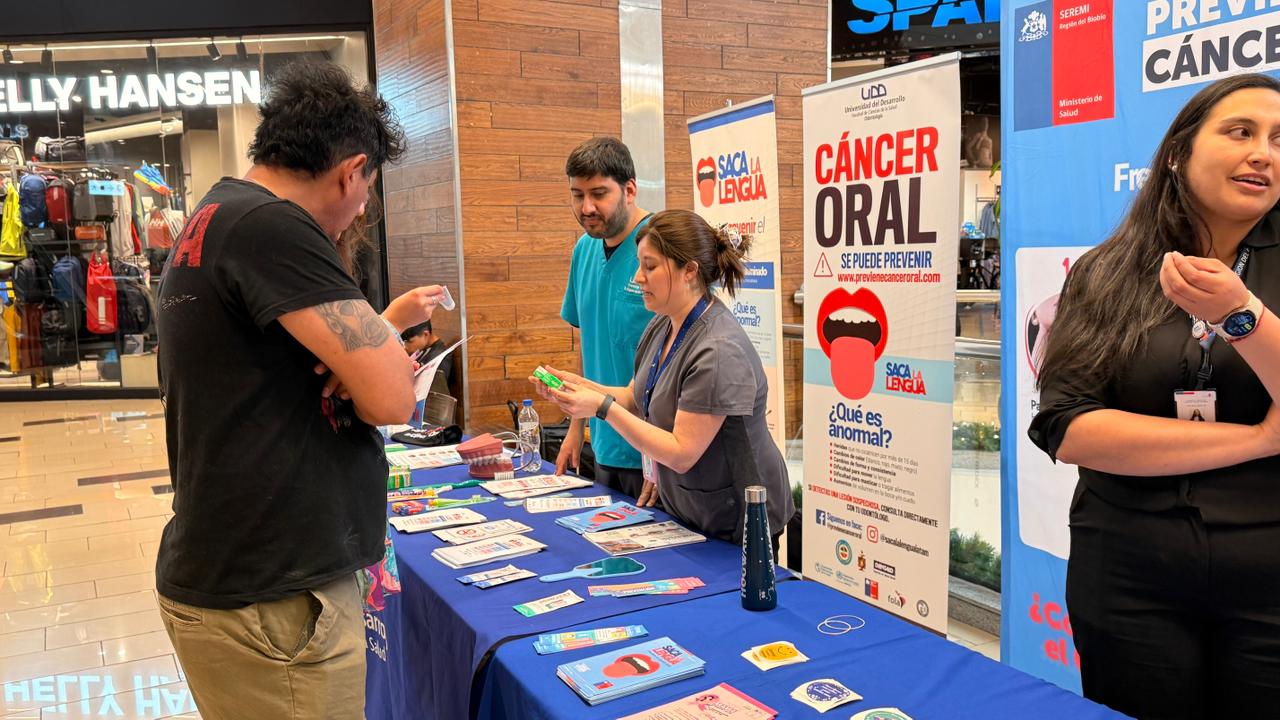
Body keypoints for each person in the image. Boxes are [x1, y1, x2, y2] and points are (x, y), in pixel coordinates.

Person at [154, 61, 446, 720]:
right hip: (273, 605)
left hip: (246, 584)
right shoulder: (274, 228)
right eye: (367, 190)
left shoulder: (220, 212)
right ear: (352, 171)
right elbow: (394, 399)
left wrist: (360, 360)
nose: (362, 209)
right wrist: (370, 365)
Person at [1029, 73, 1280, 718]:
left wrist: (1243, 316)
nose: (1263, 153)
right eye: (1241, 132)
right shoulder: (1106, 271)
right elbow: (1070, 429)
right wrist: (1260, 439)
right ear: (1177, 153)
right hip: (1127, 571)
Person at [535, 209, 793, 546]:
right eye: (639, 265)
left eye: (650, 267)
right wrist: (577, 387)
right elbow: (634, 396)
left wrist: (601, 408)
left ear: (689, 270)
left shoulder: (718, 350)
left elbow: (681, 452)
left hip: (738, 519)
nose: (638, 277)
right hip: (691, 509)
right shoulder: (663, 323)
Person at [558, 137, 655, 497]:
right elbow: (588, 343)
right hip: (603, 444)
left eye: (599, 194)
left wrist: (658, 459)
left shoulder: (662, 248)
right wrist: (575, 428)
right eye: (577, 195)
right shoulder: (583, 250)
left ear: (629, 190)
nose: (587, 207)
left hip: (653, 453)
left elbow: (680, 359)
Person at [402, 318, 455, 391]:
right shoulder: (425, 349)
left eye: (409, 342)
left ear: (425, 334)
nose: (406, 347)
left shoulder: (439, 356)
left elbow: (435, 388)